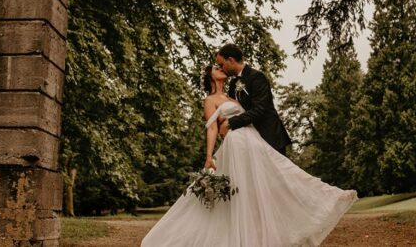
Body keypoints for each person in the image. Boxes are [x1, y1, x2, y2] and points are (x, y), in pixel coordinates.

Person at [141, 53, 357, 247]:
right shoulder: (210, 100)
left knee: (275, 179)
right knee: (244, 191)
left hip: (254, 141)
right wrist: (209, 157)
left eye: (221, 64)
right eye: (216, 68)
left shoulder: (238, 89)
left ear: (231, 60)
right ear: (210, 77)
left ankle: (319, 203)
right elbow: (212, 129)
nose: (221, 68)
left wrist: (233, 123)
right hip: (237, 146)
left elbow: (258, 109)